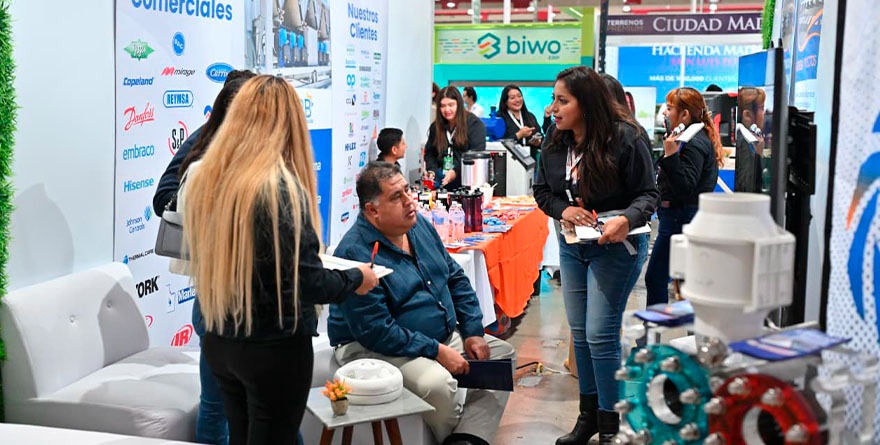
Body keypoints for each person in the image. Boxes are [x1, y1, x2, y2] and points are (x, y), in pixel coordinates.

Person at [183, 75, 379, 445]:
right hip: (273, 347)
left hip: (221, 339)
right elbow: (308, 282)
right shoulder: (280, 188)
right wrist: (357, 278)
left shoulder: (211, 180)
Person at [328, 162, 516, 445]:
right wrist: (436, 351)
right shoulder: (355, 252)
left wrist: (473, 331)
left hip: (436, 337)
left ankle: (466, 438)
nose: (409, 201)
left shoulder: (418, 227)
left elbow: (455, 278)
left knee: (501, 356)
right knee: (436, 385)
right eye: (396, 197)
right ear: (372, 210)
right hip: (373, 348)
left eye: (407, 191)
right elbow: (376, 331)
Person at [533, 66, 658, 445]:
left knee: (600, 334)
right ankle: (588, 417)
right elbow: (543, 192)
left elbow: (648, 194)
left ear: (586, 104)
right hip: (573, 245)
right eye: (554, 99)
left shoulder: (626, 137)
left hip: (617, 247)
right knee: (581, 334)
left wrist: (626, 218)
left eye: (562, 100)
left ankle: (611, 426)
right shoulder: (554, 140)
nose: (553, 108)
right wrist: (564, 210)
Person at [152, 69, 255, 445]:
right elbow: (163, 198)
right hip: (217, 297)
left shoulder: (258, 150)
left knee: (243, 406)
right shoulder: (205, 144)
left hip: (244, 299)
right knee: (218, 406)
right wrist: (206, 213)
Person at [644, 87, 723, 307]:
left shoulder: (694, 143)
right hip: (679, 217)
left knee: (656, 278)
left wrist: (670, 156)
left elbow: (686, 186)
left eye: (670, 108)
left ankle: (656, 327)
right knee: (680, 280)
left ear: (685, 114)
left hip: (681, 217)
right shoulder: (691, 138)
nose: (665, 113)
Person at [425, 86, 487, 190]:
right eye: (443, 106)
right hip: (442, 182)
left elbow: (475, 155)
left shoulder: (474, 124)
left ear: (459, 104)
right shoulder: (436, 127)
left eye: (451, 105)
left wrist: (455, 172)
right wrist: (432, 170)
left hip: (468, 182)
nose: (447, 110)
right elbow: (430, 153)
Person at [734, 86, 766, 193]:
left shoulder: (740, 138)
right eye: (762, 108)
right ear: (747, 115)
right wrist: (758, 155)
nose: (764, 113)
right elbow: (747, 189)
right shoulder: (745, 145)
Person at [498, 84, 542, 148]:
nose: (517, 100)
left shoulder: (530, 116)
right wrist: (518, 135)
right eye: (512, 98)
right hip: (509, 154)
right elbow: (497, 143)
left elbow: (542, 140)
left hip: (530, 154)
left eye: (519, 96)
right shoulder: (499, 118)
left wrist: (538, 142)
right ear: (505, 102)